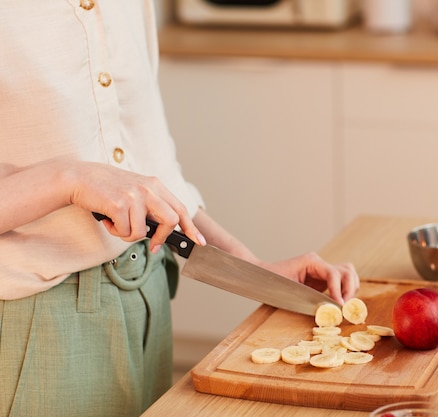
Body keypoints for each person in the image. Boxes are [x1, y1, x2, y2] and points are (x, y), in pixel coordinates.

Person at [0, 2, 360, 417]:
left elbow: (149, 164)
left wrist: (252, 268)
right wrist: (70, 179)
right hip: (37, 319)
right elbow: (93, 177)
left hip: (148, 297)